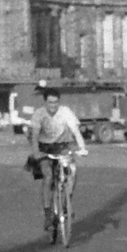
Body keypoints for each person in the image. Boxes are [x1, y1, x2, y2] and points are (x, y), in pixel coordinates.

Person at [25, 88, 87, 238]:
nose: (53, 105)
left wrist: (83, 147)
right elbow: (34, 137)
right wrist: (36, 153)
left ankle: (66, 204)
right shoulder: (39, 114)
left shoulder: (65, 112)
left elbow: (75, 131)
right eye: (50, 102)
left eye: (56, 102)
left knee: (72, 171)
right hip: (44, 148)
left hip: (62, 146)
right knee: (48, 176)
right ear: (45, 102)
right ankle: (47, 213)